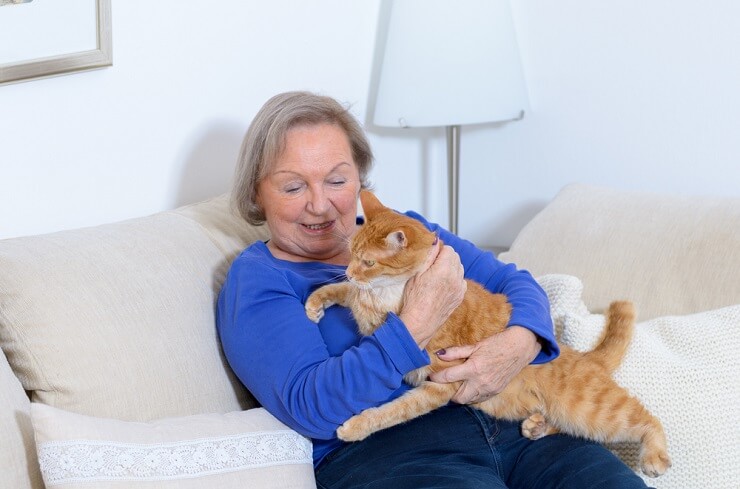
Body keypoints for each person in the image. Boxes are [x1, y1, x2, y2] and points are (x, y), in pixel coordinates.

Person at [217, 91, 649, 488]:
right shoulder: (260, 278)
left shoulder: (405, 231)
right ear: (257, 193)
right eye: (293, 186)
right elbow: (311, 405)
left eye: (336, 180)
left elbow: (514, 283)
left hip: (524, 427)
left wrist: (520, 342)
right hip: (391, 453)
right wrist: (417, 321)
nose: (320, 203)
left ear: (360, 180)